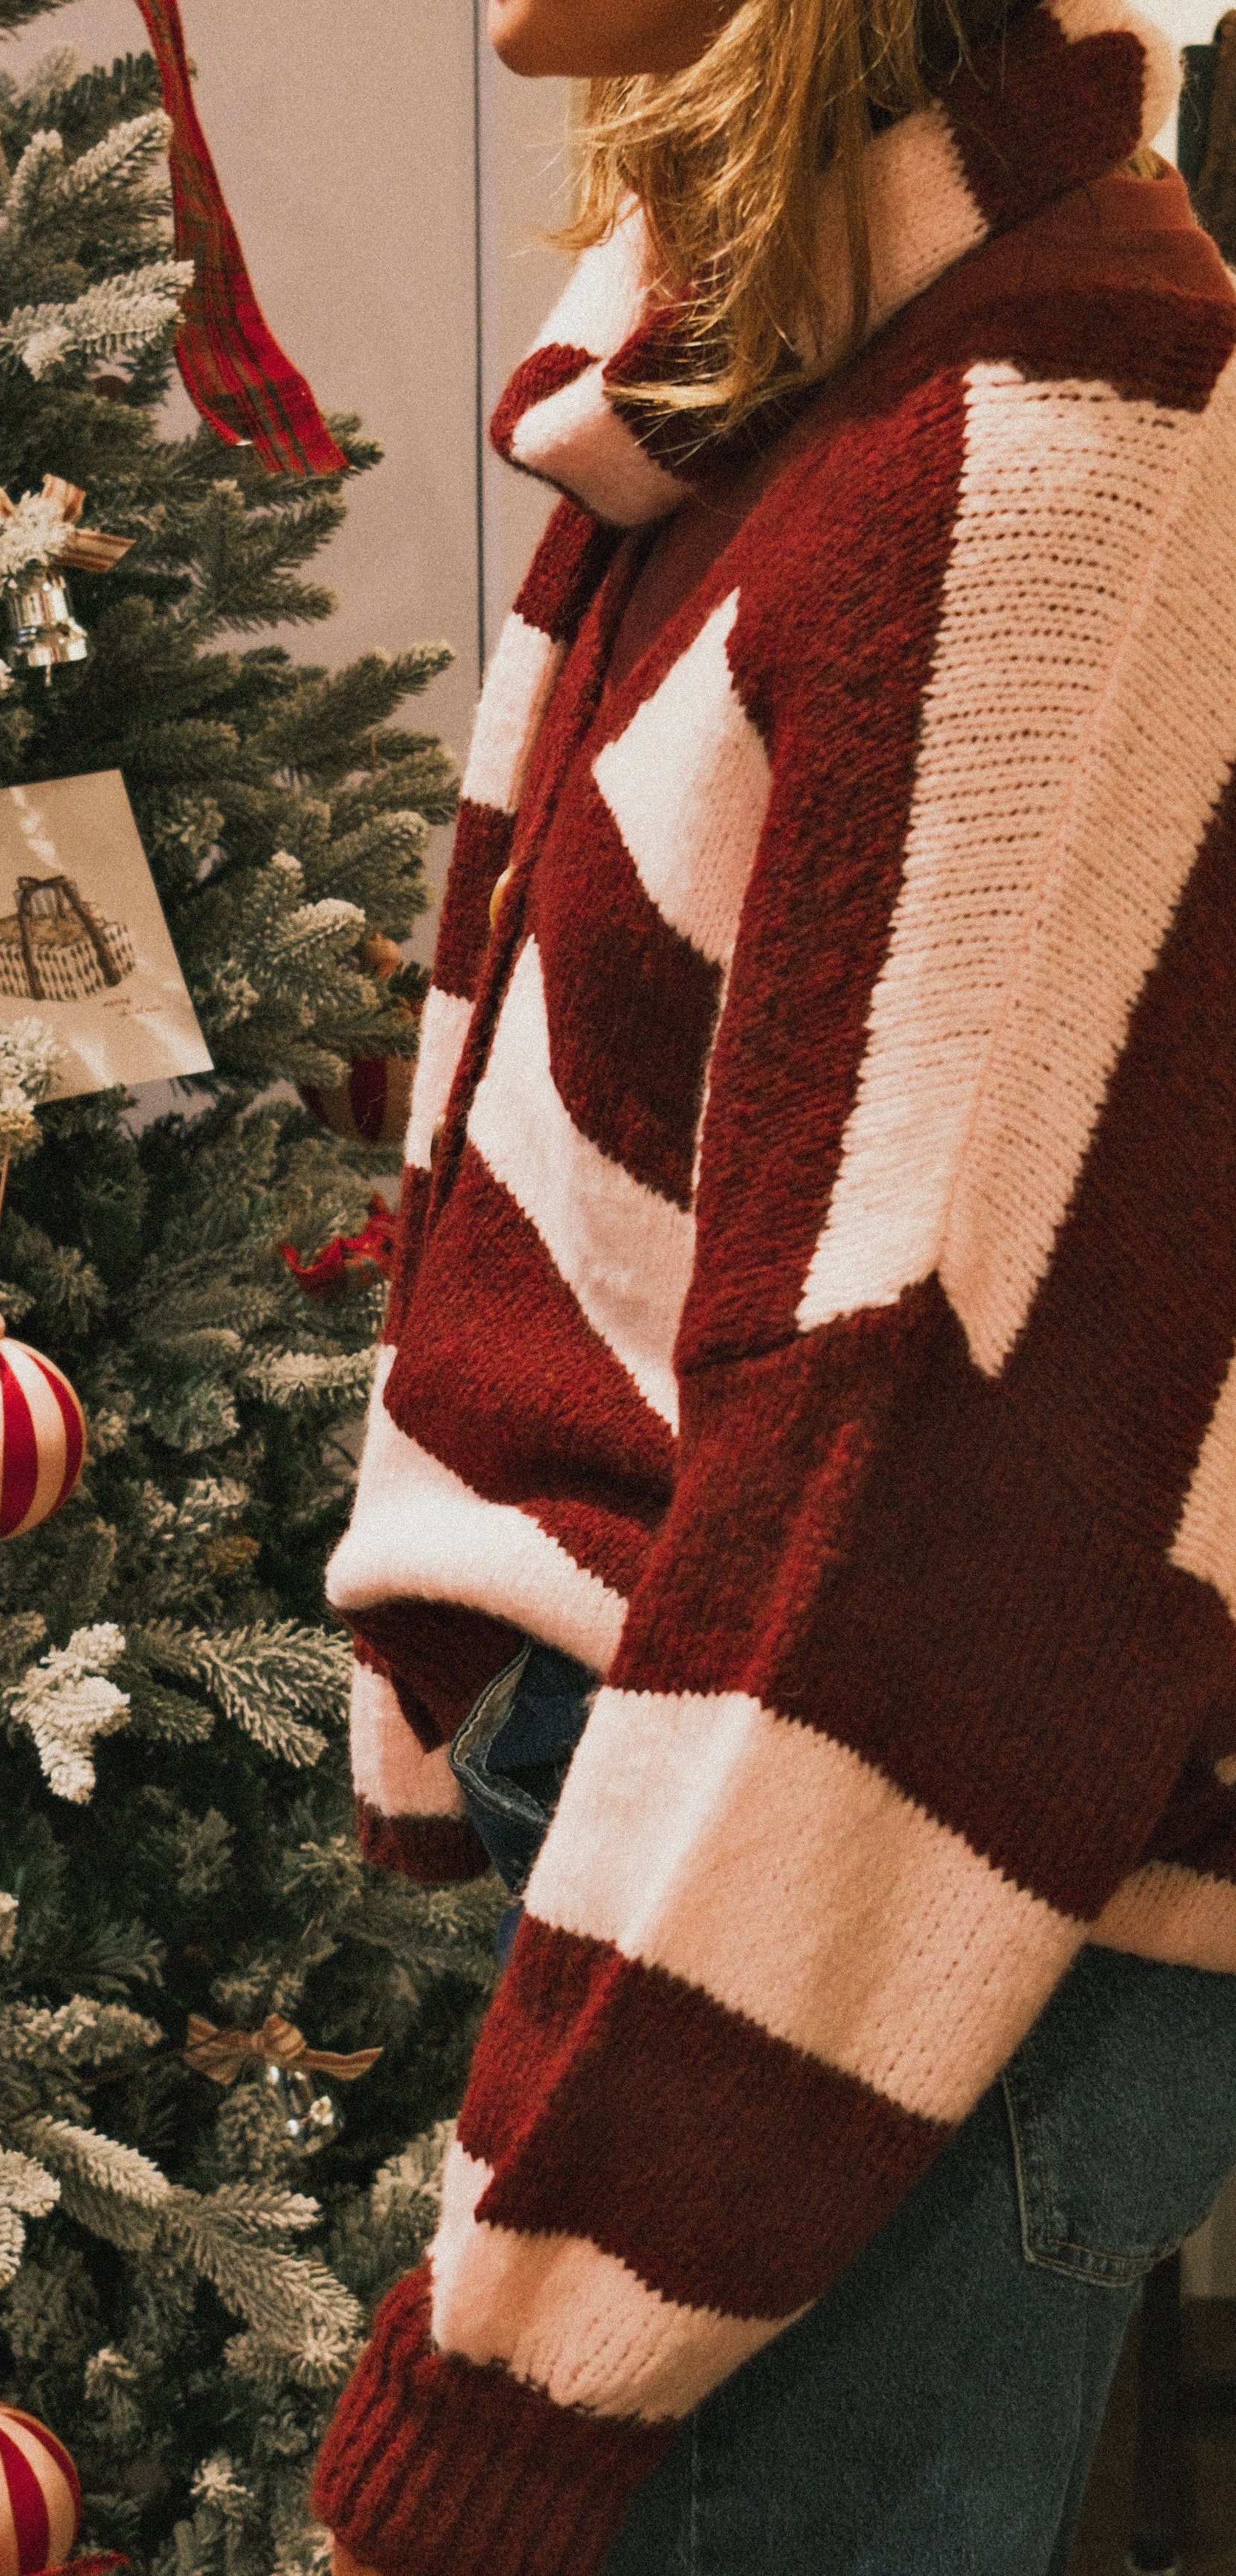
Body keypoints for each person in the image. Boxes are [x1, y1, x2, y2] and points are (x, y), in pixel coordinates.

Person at [308, 0, 1236, 2568]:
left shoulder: (1047, 444)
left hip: (858, 1953)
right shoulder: (777, 385)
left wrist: (543, 2345)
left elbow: (919, 1489)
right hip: (723, 1858)